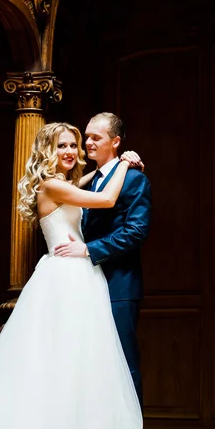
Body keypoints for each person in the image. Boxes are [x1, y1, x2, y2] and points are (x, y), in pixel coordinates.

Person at [0, 122, 148, 429]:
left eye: (73, 145)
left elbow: (88, 183)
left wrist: (110, 166)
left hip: (80, 274)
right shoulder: (52, 186)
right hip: (65, 275)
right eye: (61, 145)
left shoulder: (61, 184)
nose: (69, 151)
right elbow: (106, 198)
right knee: (58, 354)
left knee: (77, 356)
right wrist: (124, 161)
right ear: (47, 151)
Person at [54, 113, 151, 408]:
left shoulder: (134, 178)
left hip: (119, 284)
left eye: (96, 137)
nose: (88, 143)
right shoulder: (86, 182)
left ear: (116, 141)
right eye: (87, 137)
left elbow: (136, 231)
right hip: (84, 284)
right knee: (91, 363)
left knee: (122, 361)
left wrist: (88, 250)